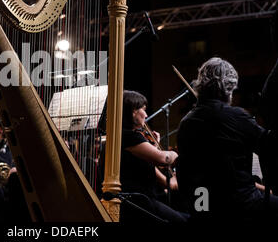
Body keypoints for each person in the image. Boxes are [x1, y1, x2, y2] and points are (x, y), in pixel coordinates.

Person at [176, 57, 278, 223]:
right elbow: (269, 148)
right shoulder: (235, 116)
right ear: (230, 87)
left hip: (202, 207)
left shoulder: (185, 123)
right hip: (240, 204)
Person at [119, 90, 188, 223]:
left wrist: (154, 147)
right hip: (140, 202)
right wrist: (174, 154)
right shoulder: (129, 136)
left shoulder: (128, 136)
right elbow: (163, 159)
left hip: (143, 200)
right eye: (143, 109)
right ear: (133, 111)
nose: (146, 114)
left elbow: (148, 161)